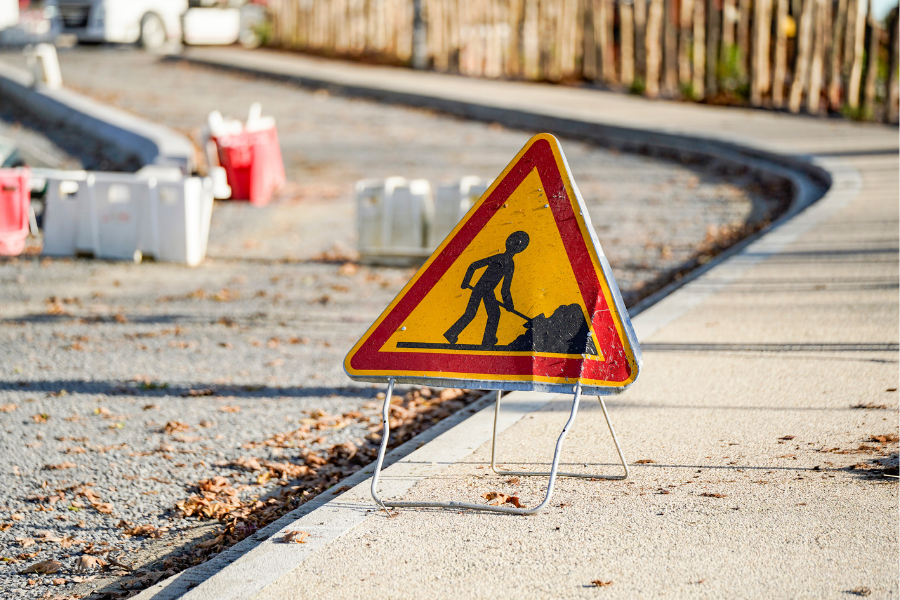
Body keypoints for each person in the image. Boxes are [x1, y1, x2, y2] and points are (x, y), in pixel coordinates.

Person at [444, 231, 529, 347]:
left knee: (487, 314)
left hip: (486, 290)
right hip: (482, 289)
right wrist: (465, 282)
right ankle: (485, 340)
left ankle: (483, 339)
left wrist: (509, 304)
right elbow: (474, 265)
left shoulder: (505, 261)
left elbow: (504, 288)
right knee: (477, 314)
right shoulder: (505, 261)